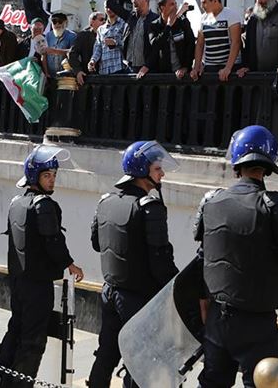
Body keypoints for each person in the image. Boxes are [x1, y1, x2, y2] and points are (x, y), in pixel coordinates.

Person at [195, 125, 278, 388]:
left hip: (216, 316)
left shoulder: (211, 201)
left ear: (237, 163)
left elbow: (202, 259)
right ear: (268, 165)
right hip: (256, 321)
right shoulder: (276, 206)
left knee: (211, 382)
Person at [88, 141, 179, 388]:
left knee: (106, 353)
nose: (162, 174)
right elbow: (161, 261)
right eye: (157, 168)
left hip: (110, 292)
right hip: (139, 299)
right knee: (140, 361)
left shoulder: (106, 201)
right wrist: (178, 287)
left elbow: (96, 244)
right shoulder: (150, 208)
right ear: (141, 170)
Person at [0, 145, 84, 388]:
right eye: (47, 175)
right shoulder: (43, 205)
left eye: (54, 175)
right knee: (33, 340)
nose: (52, 179)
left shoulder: (17, 202)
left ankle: (5, 380)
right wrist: (70, 264)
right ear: (35, 176)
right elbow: (53, 240)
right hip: (37, 284)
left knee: (16, 328)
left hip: (18, 282)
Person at [105, 0, 159, 73]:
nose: (133, 1)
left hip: (148, 69)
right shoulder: (130, 17)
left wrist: (147, 65)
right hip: (129, 67)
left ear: (146, 0)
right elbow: (111, 4)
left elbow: (157, 47)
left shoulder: (155, 19)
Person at [192, 0, 243, 82]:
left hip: (231, 67)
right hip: (210, 67)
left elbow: (236, 42)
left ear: (215, 1)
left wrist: (228, 68)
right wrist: (196, 67)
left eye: (204, 2)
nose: (202, 6)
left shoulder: (231, 15)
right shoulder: (203, 19)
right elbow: (199, 44)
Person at [144, 0, 195, 78]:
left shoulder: (183, 22)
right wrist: (168, 26)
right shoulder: (154, 25)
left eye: (175, 4)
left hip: (182, 73)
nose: (175, 7)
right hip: (163, 74)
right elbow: (155, 45)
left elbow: (191, 44)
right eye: (172, 4)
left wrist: (186, 67)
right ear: (162, 8)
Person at [88, 4, 128, 75]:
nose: (109, 9)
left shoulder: (124, 24)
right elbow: (98, 48)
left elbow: (129, 44)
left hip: (120, 68)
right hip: (104, 70)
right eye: (107, 7)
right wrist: (93, 61)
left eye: (111, 6)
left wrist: (115, 43)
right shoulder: (101, 29)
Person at [67, 12, 104, 85]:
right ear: (92, 22)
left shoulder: (107, 34)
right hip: (88, 77)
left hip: (105, 76)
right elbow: (72, 54)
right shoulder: (83, 35)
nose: (104, 22)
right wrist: (78, 71)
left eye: (105, 20)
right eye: (101, 19)